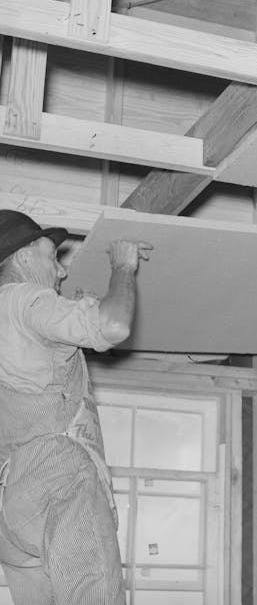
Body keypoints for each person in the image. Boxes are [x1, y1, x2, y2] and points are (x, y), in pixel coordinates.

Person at [0, 210, 152, 605]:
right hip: (56, 478)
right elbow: (114, 325)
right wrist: (123, 266)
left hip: (10, 505)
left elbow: (30, 374)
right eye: (52, 257)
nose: (62, 272)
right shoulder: (24, 298)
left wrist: (72, 329)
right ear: (22, 257)